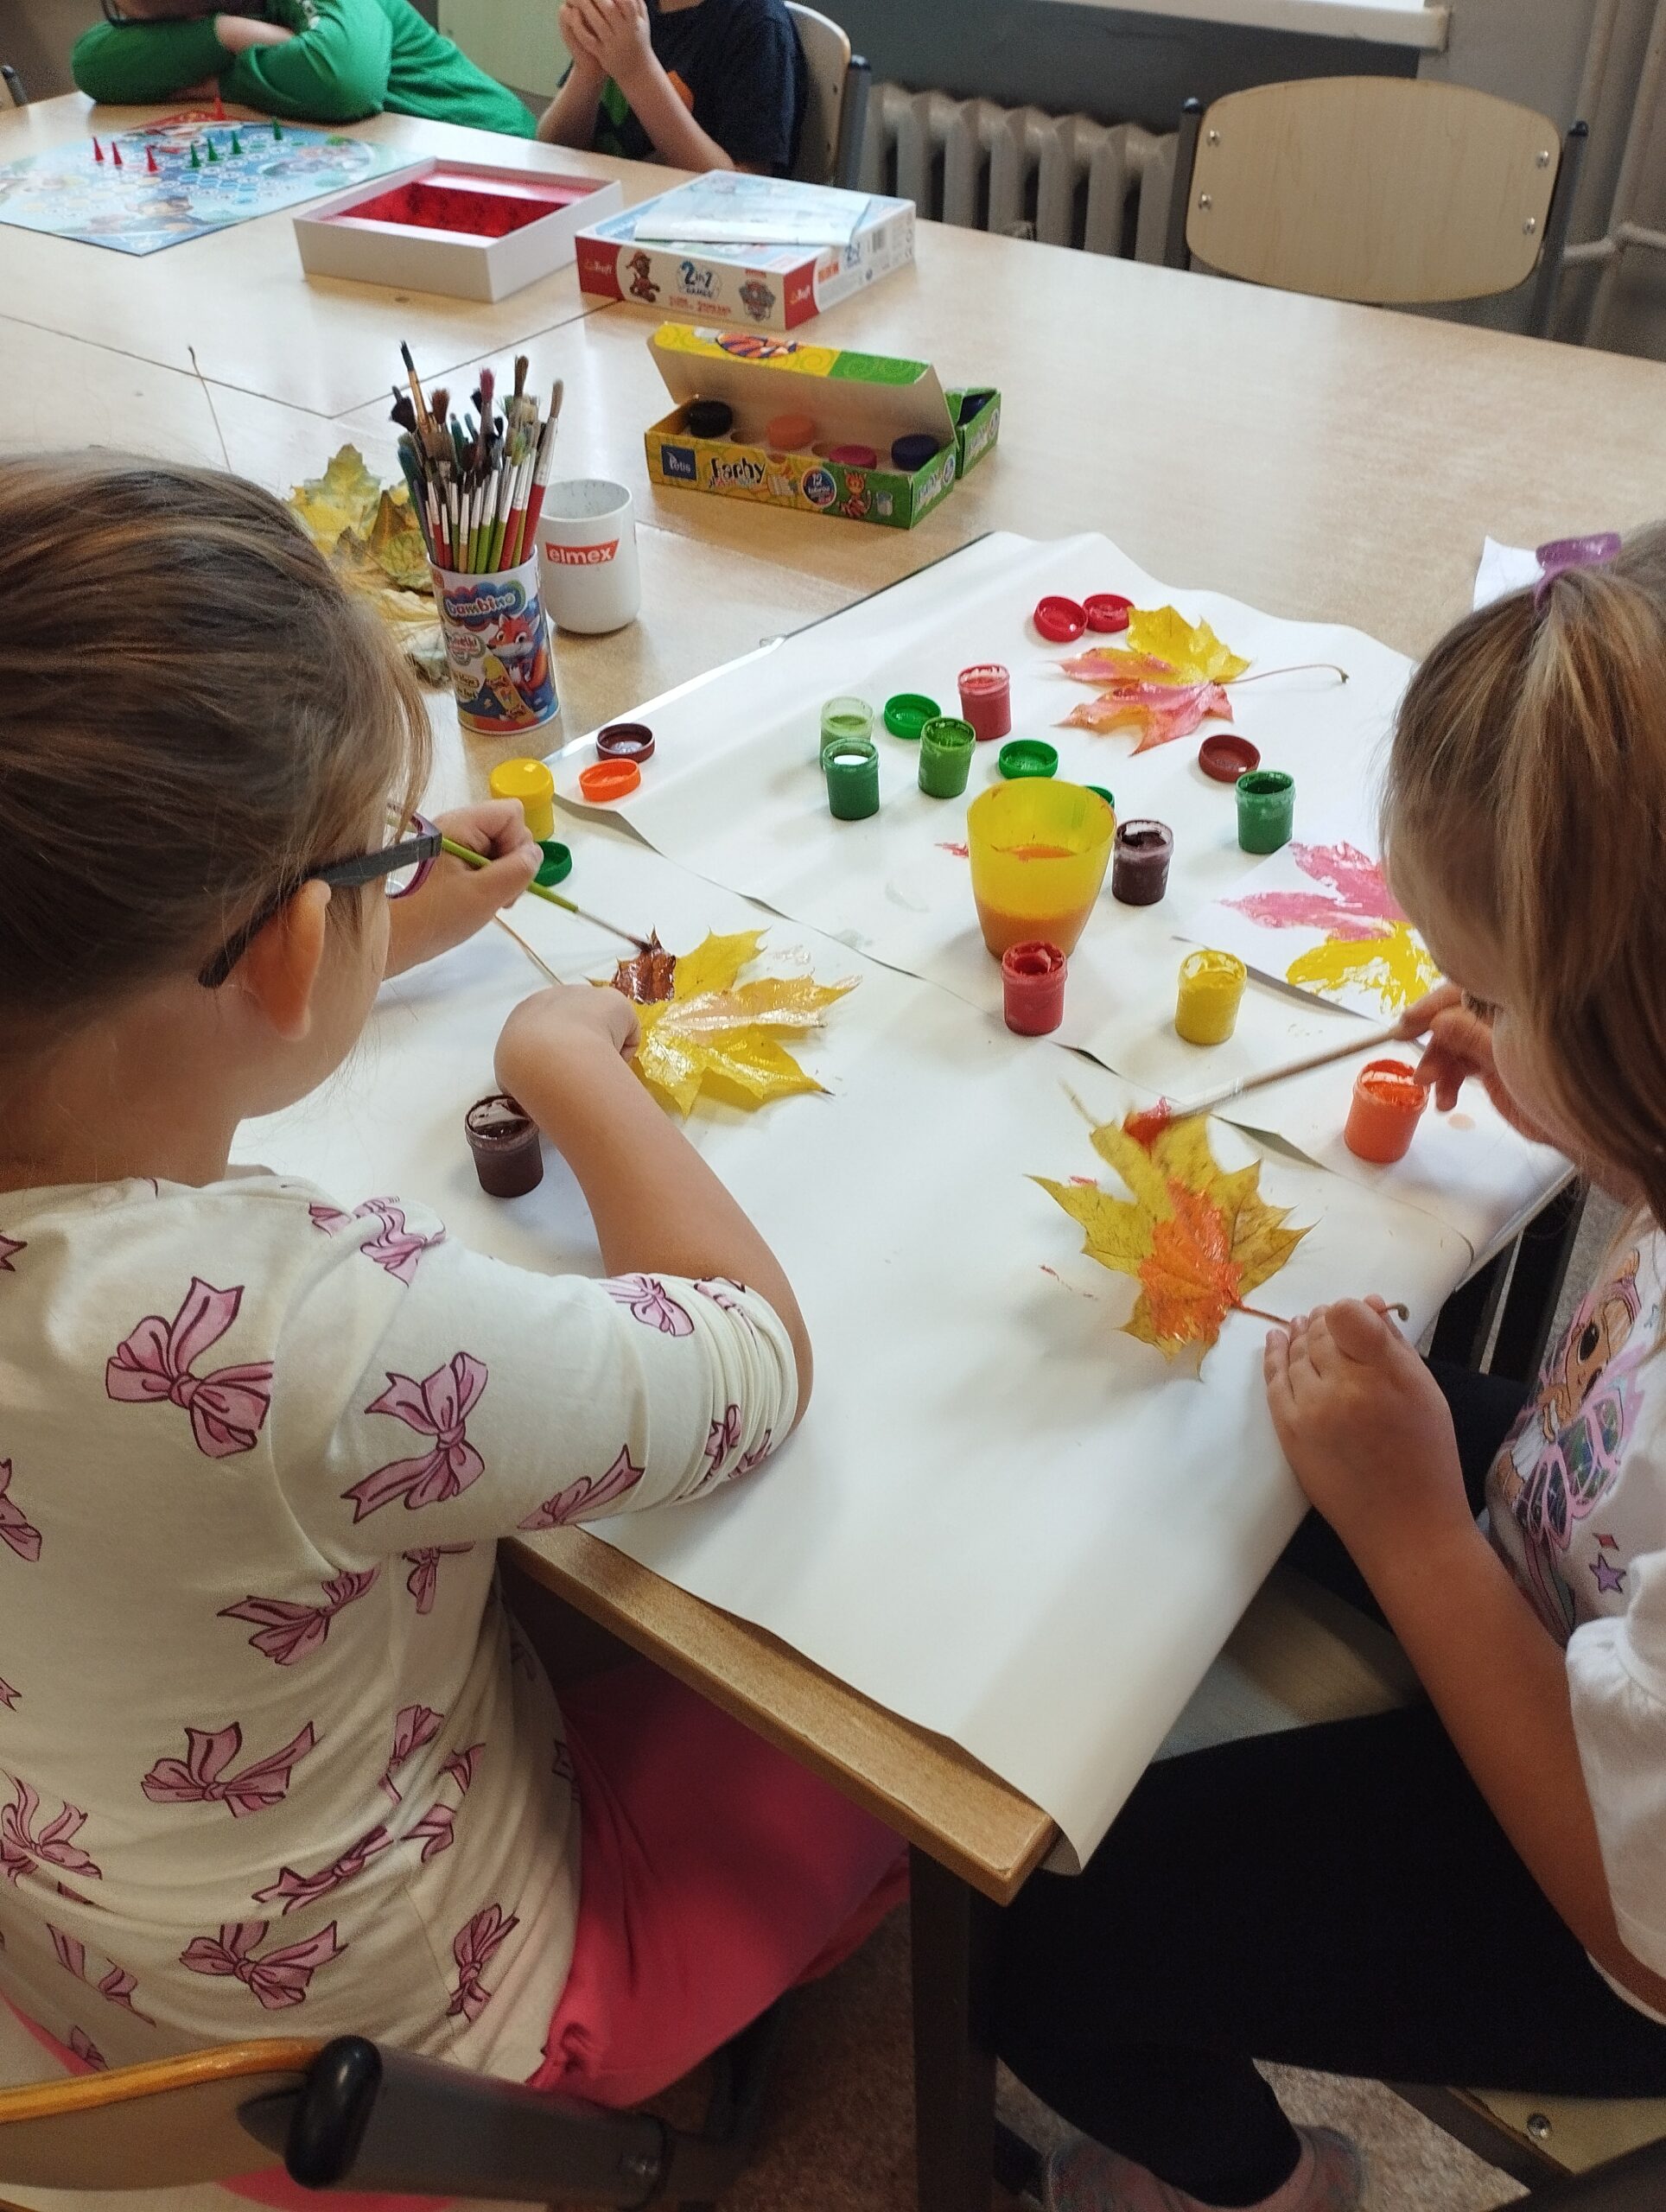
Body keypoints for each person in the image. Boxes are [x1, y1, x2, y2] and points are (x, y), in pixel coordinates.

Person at [0, 457, 905, 2180]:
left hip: (72, 1978)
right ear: (282, 954)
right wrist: (563, 1063)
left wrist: (382, 923)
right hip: (407, 2046)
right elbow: (742, 1358)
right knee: (880, 1719)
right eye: (375, 860)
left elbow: (112, 1003)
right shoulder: (296, 1342)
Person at [993, 529, 1666, 2212]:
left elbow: (1636, 1927)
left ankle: (1266, 2182)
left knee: (1047, 1944)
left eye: (1496, 990)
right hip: (1579, 1560)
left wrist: (1417, 1537)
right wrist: (1541, 1062)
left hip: (1605, 1896)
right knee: (1228, 1433)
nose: (1457, 1011)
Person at [72, 0, 537, 139]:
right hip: (394, 162)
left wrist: (220, 84)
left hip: (493, 148)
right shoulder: (222, 19)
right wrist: (229, 33)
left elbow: (343, 82)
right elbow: (92, 64)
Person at [537, 0, 805, 176]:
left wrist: (637, 73)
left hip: (693, 237)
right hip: (600, 216)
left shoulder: (759, 25)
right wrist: (586, 72)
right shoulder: (628, 10)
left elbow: (744, 195)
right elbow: (551, 152)